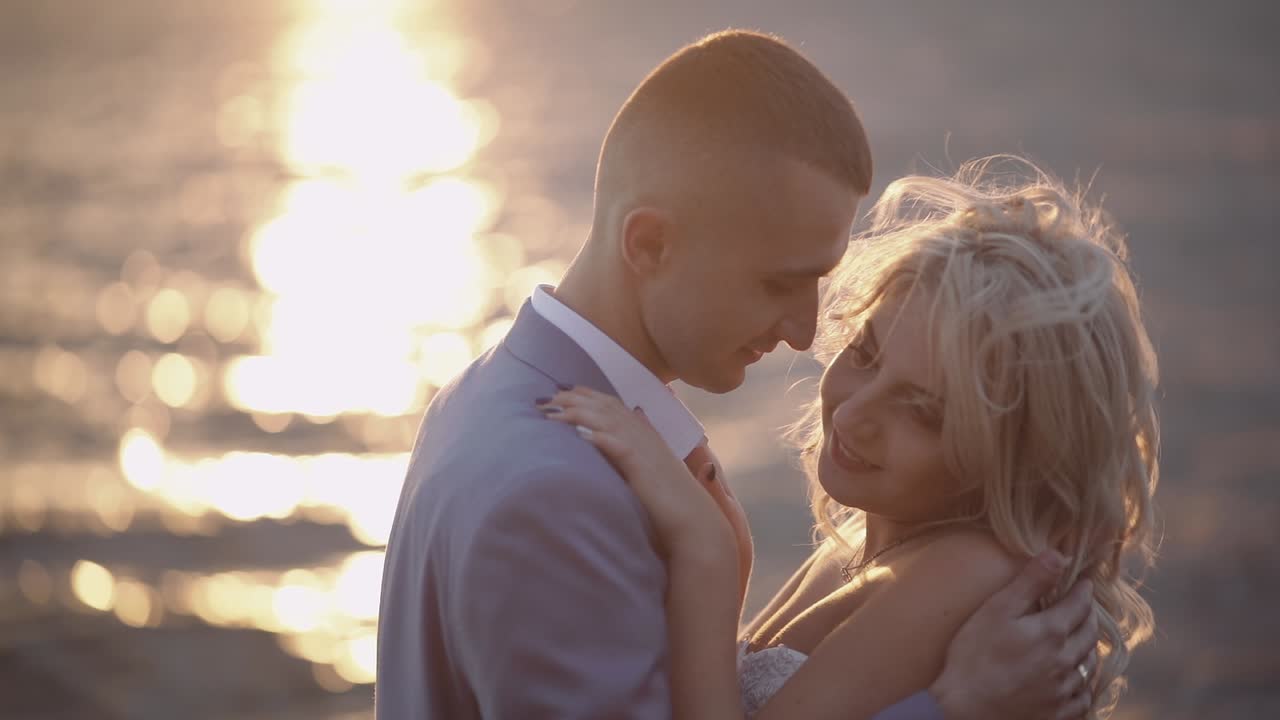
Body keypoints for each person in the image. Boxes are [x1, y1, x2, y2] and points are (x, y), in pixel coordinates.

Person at [377, 29, 1098, 719]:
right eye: (779, 283)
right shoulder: (557, 495)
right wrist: (952, 712)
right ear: (650, 243)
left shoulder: (476, 397)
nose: (807, 331)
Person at [544, 159, 1158, 719]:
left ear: (1014, 456)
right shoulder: (867, 537)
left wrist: (702, 549)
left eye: (922, 410)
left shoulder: (968, 573)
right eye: (865, 352)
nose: (857, 410)